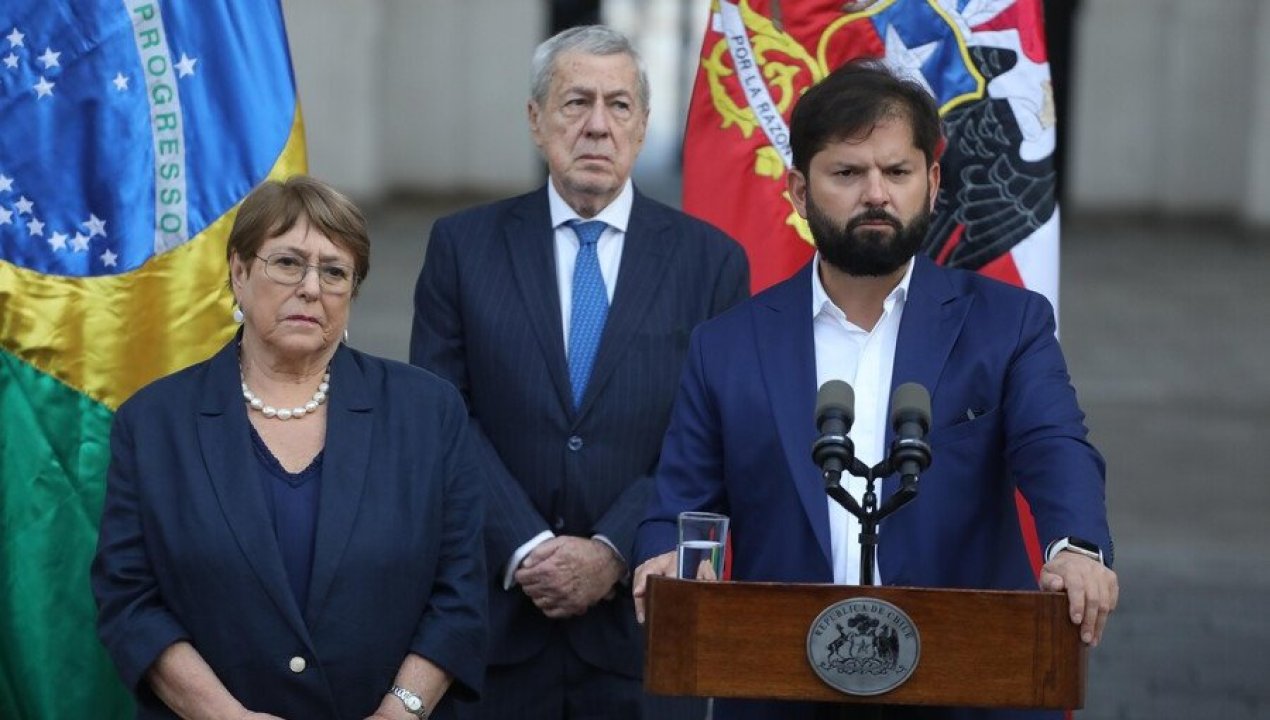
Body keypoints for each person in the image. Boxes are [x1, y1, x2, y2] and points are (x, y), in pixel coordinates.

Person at [632, 61, 1118, 720]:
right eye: (847, 173)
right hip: (782, 687)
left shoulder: (1007, 324)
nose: (876, 194)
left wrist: (1077, 549)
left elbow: (1055, 445)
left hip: (966, 683)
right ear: (799, 191)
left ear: (932, 183)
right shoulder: (727, 345)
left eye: (897, 171)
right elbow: (678, 505)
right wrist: (665, 560)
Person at [410, 24, 749, 720]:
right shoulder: (462, 247)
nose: (598, 125)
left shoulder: (711, 263)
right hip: (495, 632)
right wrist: (528, 548)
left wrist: (613, 548)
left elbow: (715, 436)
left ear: (643, 124)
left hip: (644, 635)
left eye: (619, 105)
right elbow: (439, 418)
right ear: (536, 119)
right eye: (576, 102)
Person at [92, 176, 486, 720]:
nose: (311, 288)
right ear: (239, 272)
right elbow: (129, 599)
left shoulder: (428, 413)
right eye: (287, 263)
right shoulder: (154, 423)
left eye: (335, 271)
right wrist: (225, 717)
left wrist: (401, 710)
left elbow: (460, 592)